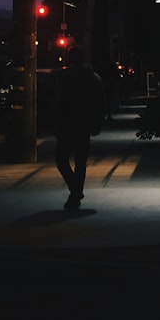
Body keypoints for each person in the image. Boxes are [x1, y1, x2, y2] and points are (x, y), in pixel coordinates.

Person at [53, 45, 105, 210]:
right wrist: (97, 123)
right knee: (80, 161)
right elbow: (101, 103)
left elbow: (59, 103)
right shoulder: (94, 77)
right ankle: (76, 190)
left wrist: (55, 123)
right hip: (85, 125)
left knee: (61, 160)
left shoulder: (65, 78)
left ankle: (75, 190)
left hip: (67, 125)